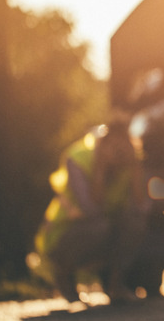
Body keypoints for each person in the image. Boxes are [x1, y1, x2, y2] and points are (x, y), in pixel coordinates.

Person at [33, 112, 148, 304]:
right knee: (100, 226)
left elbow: (141, 207)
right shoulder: (78, 159)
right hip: (63, 235)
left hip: (101, 229)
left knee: (135, 222)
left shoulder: (132, 160)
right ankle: (63, 273)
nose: (118, 153)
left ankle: (116, 284)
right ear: (103, 143)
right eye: (114, 147)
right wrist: (100, 168)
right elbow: (91, 209)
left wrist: (135, 167)